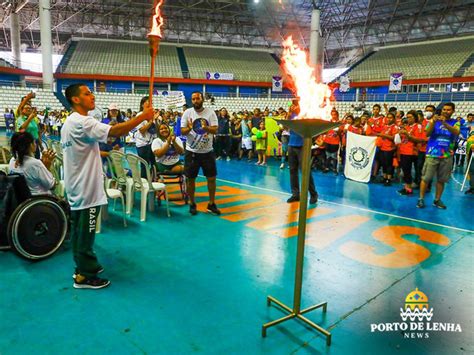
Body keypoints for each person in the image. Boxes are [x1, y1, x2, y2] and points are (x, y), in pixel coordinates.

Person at [61, 83, 154, 289]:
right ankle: (85, 275)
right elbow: (115, 131)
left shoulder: (70, 122)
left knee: (79, 230)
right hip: (86, 188)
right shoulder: (82, 122)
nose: (92, 96)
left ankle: (84, 264)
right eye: (87, 93)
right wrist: (142, 116)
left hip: (76, 185)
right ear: (76, 99)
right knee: (87, 230)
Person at [180, 91, 220, 216]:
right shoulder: (187, 113)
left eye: (197, 98)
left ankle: (211, 203)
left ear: (202, 99)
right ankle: (192, 203)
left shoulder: (210, 112)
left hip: (207, 152)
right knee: (190, 179)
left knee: (211, 178)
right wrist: (191, 127)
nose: (195, 100)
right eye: (193, 99)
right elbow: (182, 131)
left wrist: (206, 128)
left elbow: (215, 129)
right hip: (192, 152)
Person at [417, 103, 460, 209]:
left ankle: (437, 200)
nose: (445, 111)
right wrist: (433, 121)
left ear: (453, 111)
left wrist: (445, 124)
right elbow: (427, 133)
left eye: (448, 110)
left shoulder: (456, 122)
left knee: (441, 180)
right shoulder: (433, 120)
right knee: (426, 178)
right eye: (444, 109)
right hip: (432, 154)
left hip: (447, 155)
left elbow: (456, 132)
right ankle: (421, 199)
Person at [286, 99, 318, 205]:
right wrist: (289, 114)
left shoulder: (306, 113)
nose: (294, 105)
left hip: (303, 145)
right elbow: (285, 127)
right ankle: (295, 194)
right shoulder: (291, 114)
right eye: (293, 103)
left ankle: (313, 194)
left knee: (305, 171)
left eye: (296, 103)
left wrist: (300, 111)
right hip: (291, 144)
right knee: (292, 171)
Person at [135, 97, 158, 178]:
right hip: (143, 144)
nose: (150, 104)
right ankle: (144, 183)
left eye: (152, 102)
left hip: (152, 143)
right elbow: (142, 130)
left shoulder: (153, 115)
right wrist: (151, 120)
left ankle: (154, 181)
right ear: (142, 104)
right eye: (148, 102)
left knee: (154, 164)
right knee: (144, 165)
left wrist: (157, 120)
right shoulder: (139, 115)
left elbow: (156, 130)